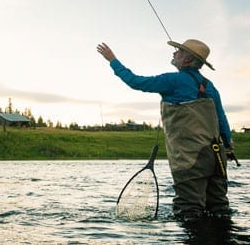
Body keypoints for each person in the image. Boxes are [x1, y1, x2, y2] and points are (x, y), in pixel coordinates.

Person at [96, 39, 234, 222]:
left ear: (187, 60)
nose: (174, 52)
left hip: (190, 158)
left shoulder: (173, 80)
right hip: (217, 157)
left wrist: (112, 60)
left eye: (178, 50)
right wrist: (229, 146)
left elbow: (136, 82)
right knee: (219, 208)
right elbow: (222, 120)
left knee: (189, 211)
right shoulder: (210, 86)